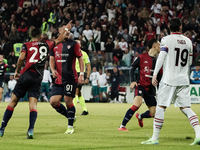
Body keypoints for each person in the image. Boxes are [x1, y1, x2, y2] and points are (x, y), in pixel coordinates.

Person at [0, 21, 72, 139]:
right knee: (33, 106)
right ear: (40, 36)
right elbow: (60, 39)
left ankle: (2, 128)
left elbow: (21, 58)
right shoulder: (46, 45)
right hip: (37, 78)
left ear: (31, 36)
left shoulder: (26, 45)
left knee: (13, 102)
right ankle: (30, 130)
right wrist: (67, 29)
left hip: (26, 75)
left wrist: (17, 70)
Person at [141, 18, 200, 145]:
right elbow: (189, 62)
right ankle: (198, 134)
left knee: (161, 107)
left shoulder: (166, 40)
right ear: (180, 27)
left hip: (169, 79)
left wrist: (155, 74)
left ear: (169, 28)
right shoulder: (188, 41)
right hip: (183, 80)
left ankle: (155, 138)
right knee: (186, 108)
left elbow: (161, 57)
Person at [118, 39, 162, 131]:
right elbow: (132, 68)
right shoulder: (142, 57)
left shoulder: (159, 61)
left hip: (151, 89)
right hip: (141, 85)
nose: (160, 46)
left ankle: (140, 116)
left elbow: (159, 77)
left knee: (153, 113)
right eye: (159, 44)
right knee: (137, 104)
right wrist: (133, 81)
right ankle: (122, 126)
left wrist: (159, 90)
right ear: (153, 45)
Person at [49, 24, 84, 135]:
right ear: (60, 31)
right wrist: (52, 69)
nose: (67, 31)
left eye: (68, 30)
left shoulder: (74, 44)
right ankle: (71, 116)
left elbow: (81, 59)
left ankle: (70, 127)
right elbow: (51, 60)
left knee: (68, 101)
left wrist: (81, 74)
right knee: (53, 102)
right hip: (58, 79)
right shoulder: (54, 44)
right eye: (64, 29)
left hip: (70, 78)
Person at [73, 40, 91, 115]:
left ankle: (72, 110)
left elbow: (88, 66)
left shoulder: (84, 54)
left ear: (80, 45)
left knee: (75, 91)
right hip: (73, 74)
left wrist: (87, 77)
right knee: (79, 93)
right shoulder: (72, 53)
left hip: (80, 74)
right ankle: (85, 110)